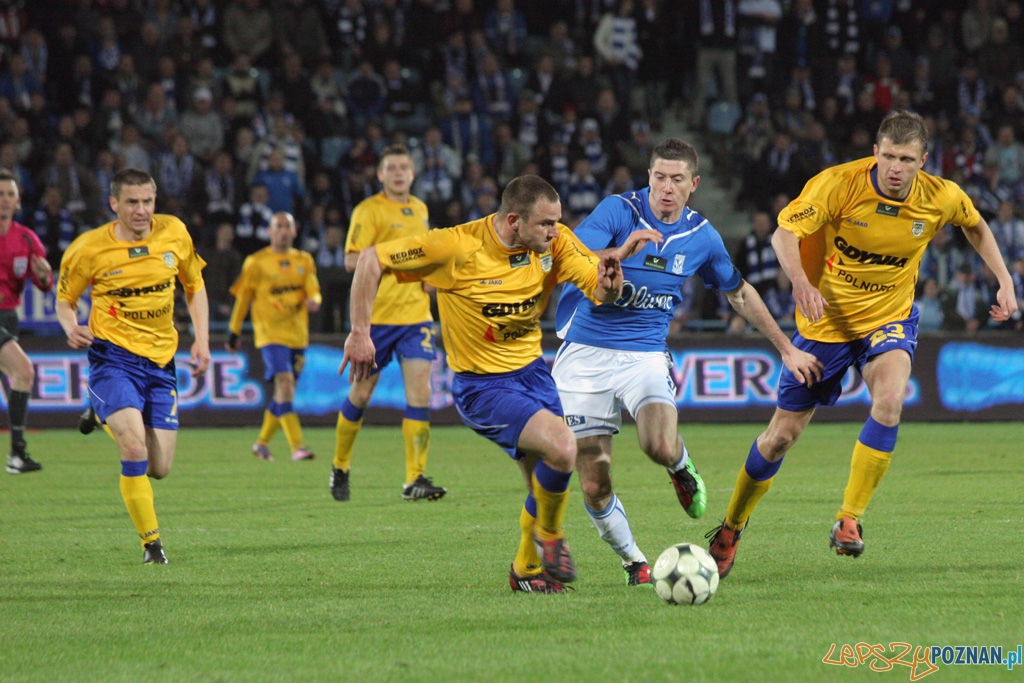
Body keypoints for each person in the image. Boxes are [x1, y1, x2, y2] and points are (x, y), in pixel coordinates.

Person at [707, 111, 1018, 578]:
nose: (895, 167)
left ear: (923, 161)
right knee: (780, 438)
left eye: (906, 159)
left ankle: (849, 519)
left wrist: (1004, 278)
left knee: (890, 400)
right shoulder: (838, 185)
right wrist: (799, 283)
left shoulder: (940, 197)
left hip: (889, 319)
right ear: (876, 152)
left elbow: (974, 224)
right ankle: (731, 526)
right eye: (888, 156)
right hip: (825, 323)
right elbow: (783, 233)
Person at [342, 174, 647, 593]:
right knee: (563, 447)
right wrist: (361, 331)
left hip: (533, 375)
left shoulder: (553, 243)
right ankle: (552, 537)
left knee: (541, 481)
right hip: (482, 386)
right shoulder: (456, 246)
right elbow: (370, 259)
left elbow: (599, 287)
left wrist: (611, 287)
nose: (555, 232)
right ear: (513, 221)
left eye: (557, 222)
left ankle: (525, 570)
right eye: (545, 224)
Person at [551, 138, 822, 586]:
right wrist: (621, 253)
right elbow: (573, 255)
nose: (666, 187)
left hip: (644, 353)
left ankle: (679, 466)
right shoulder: (619, 212)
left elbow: (738, 293)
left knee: (657, 444)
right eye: (659, 177)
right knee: (595, 479)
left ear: (693, 184)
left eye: (677, 179)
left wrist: (786, 347)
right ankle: (634, 563)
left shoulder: (702, 236)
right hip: (585, 352)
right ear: (650, 176)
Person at [56, 168, 211, 564]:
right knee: (133, 446)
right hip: (114, 358)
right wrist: (70, 325)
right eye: (132, 202)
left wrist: (203, 343)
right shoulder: (89, 249)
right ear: (114, 204)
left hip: (161, 361)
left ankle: (99, 412)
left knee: (159, 467)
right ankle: (152, 545)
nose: (141, 210)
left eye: (147, 201)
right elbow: (65, 300)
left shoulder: (174, 232)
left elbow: (194, 287)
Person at [330, 145, 445, 503]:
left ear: (413, 173)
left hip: (415, 318)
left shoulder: (421, 209)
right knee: (362, 394)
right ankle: (340, 466)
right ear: (379, 175)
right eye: (391, 168)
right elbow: (352, 260)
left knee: (421, 393)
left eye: (404, 168)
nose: (398, 173)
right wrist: (395, 263)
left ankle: (415, 478)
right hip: (376, 319)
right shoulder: (369, 210)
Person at [226, 211, 321, 462]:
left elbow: (313, 288)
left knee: (283, 394)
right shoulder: (256, 262)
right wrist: (234, 330)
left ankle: (261, 443)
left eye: (287, 226)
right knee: (285, 384)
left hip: (298, 335)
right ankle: (297, 447)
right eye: (278, 226)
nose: (282, 231)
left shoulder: (304, 260)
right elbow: (244, 298)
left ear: (295, 231)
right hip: (270, 333)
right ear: (269, 232)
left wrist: (314, 300)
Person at [0, 169, 51, 474]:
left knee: (19, 377)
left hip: (9, 317)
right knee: (23, 370)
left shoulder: (27, 239)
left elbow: (42, 282)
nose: (4, 200)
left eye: (9, 195)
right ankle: (17, 454)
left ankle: (17, 455)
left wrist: (44, 277)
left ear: (18, 201)